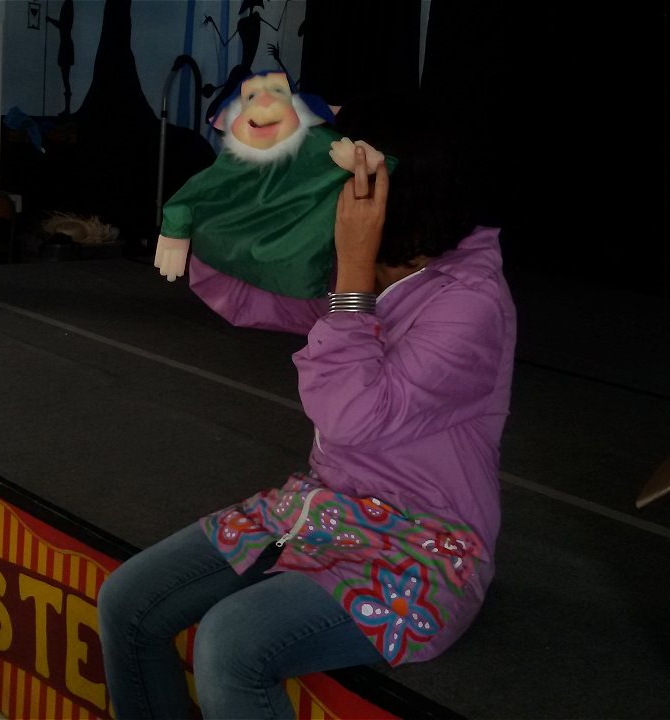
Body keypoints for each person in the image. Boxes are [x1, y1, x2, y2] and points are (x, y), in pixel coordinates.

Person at [98, 139, 516, 719]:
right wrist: (221, 213)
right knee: (127, 603)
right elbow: (251, 291)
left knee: (232, 644)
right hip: (325, 509)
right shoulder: (380, 264)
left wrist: (353, 272)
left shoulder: (470, 304)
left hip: (426, 546)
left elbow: (351, 418)